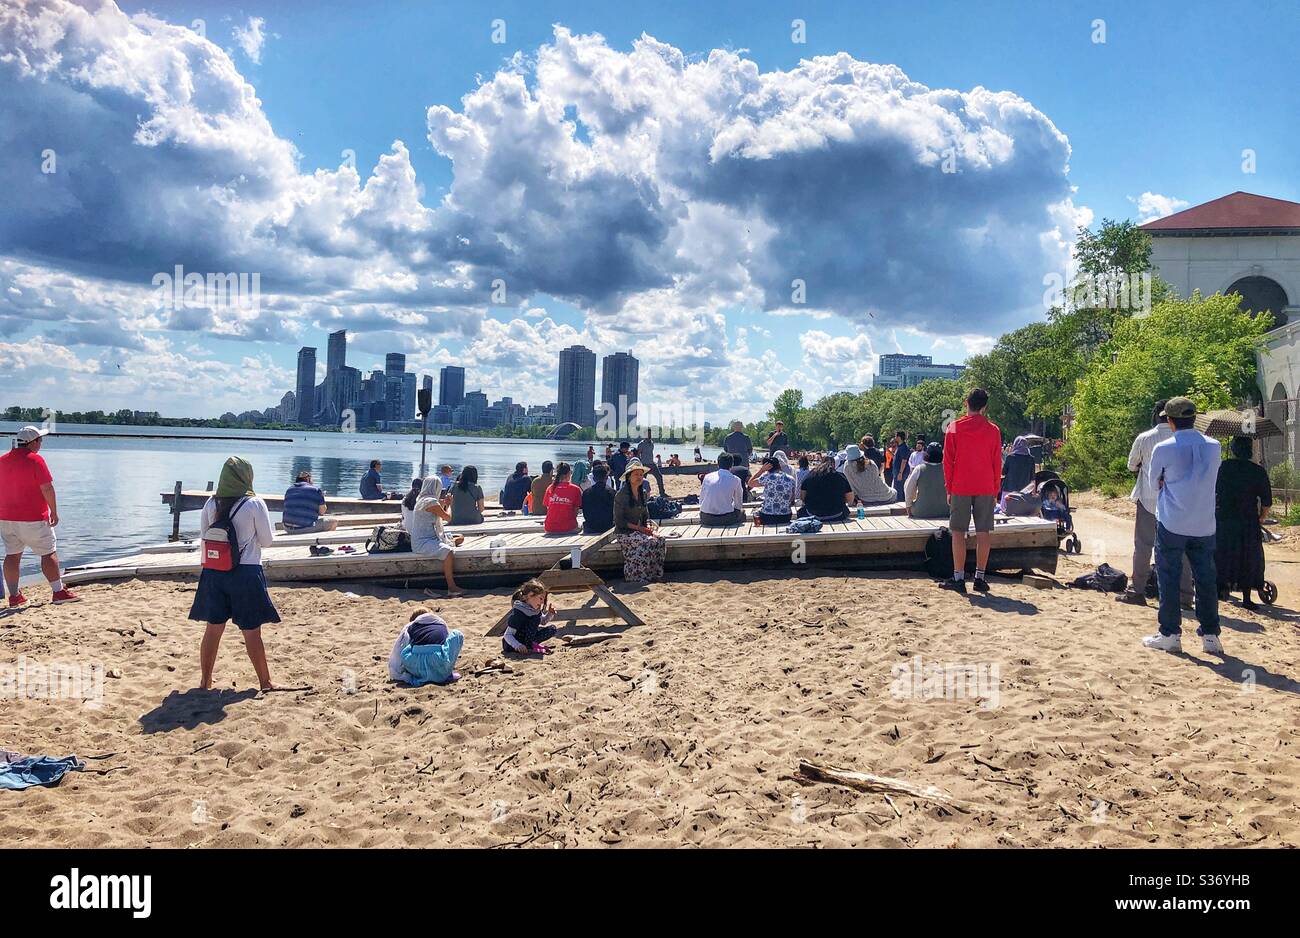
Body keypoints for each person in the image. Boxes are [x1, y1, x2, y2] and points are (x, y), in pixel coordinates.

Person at [1142, 397, 1223, 654]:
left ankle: (1170, 634)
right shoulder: (1214, 446)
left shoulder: (1164, 448)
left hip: (1172, 521)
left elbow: (1153, 482)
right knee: (1206, 579)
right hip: (1204, 522)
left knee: (1169, 576)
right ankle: (1211, 635)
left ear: (1170, 421)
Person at [189, 457, 278, 690]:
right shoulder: (255, 503)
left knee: (213, 628)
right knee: (251, 631)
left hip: (214, 572)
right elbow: (267, 541)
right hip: (246, 572)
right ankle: (265, 682)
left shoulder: (210, 503)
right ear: (247, 476)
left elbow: (204, 538)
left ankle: (205, 681)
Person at [1116, 400, 1193, 607]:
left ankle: (1137, 591)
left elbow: (1132, 466)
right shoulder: (1185, 440)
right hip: (1178, 501)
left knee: (1143, 546)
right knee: (1181, 549)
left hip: (1149, 498)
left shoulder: (1144, 438)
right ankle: (1185, 595)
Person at [1, 426, 79, 608]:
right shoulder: (35, 460)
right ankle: (58, 591)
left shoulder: (2, 460)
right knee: (48, 552)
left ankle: (14, 596)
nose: (41, 444)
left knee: (12, 555)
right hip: (33, 517)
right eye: (40, 441)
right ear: (33, 442)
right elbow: (47, 488)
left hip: (5, 517)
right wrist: (54, 511)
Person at [940, 389, 1003, 594]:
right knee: (983, 532)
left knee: (958, 532)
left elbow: (948, 461)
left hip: (961, 485)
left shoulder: (954, 427)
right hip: (985, 485)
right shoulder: (993, 430)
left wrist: (949, 487)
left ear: (966, 402)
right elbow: (996, 463)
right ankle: (980, 577)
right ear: (984, 407)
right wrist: (995, 490)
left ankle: (958, 577)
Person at [1215, 436, 1272, 610]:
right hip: (1247, 519)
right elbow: (1267, 501)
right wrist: (1261, 517)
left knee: (1222, 553)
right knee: (1248, 556)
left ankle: (1222, 588)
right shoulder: (1257, 471)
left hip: (1224, 517)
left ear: (1232, 449)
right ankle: (1247, 597)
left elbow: (1214, 490)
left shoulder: (1223, 468)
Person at [409, 477, 465, 597]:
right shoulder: (431, 502)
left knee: (459, 537)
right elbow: (448, 517)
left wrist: (444, 503)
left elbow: (437, 509)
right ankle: (451, 587)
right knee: (448, 552)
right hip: (423, 541)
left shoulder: (422, 499)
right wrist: (449, 505)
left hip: (431, 536)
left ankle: (447, 542)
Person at [614, 460, 666, 582]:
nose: (639, 477)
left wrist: (647, 526)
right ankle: (637, 576)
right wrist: (640, 529)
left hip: (639, 530)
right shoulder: (621, 495)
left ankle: (654, 574)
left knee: (659, 540)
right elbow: (619, 521)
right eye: (636, 474)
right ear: (629, 477)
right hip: (624, 532)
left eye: (641, 475)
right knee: (645, 543)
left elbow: (645, 515)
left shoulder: (642, 493)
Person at [387, 609, 463, 686]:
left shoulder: (411, 627)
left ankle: (421, 675)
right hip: (439, 661)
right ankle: (444, 673)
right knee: (457, 634)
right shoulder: (440, 624)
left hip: (416, 664)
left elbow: (399, 649)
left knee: (409, 646)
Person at [502, 579, 558, 655]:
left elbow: (543, 621)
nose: (542, 602)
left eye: (543, 600)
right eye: (540, 598)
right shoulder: (519, 612)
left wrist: (550, 614)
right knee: (534, 619)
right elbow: (507, 635)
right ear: (530, 595)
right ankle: (531, 646)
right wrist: (518, 645)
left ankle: (532, 645)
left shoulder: (534, 610)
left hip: (528, 639)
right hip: (514, 643)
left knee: (552, 629)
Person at [799, 455, 853, 522]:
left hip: (813, 514)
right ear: (834, 465)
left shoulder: (810, 475)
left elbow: (802, 497)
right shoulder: (840, 476)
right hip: (837, 514)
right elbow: (850, 499)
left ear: (821, 463)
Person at [699, 453, 746, 526]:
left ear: (718, 464)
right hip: (726, 518)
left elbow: (702, 498)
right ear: (731, 465)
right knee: (742, 513)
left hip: (706, 517)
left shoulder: (708, 477)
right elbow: (738, 503)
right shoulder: (736, 480)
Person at [905, 443, 949, 519]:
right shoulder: (947, 470)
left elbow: (909, 489)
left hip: (921, 511)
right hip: (945, 511)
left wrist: (908, 507)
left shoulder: (919, 469)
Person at [752, 455, 796, 525]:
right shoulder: (791, 479)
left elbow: (750, 483)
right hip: (785, 516)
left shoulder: (766, 477)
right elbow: (792, 499)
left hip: (768, 517)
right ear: (779, 466)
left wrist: (762, 470)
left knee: (755, 512)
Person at [543, 462, 583, 534]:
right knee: (581, 525)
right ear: (569, 473)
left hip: (550, 528)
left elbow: (548, 508)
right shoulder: (575, 489)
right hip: (568, 527)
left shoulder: (550, 488)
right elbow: (575, 511)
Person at [581, 464, 616, 533]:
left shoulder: (586, 493)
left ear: (594, 478)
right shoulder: (613, 492)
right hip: (608, 526)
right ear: (606, 477)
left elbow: (585, 512)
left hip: (591, 527)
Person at [638, 430, 667, 496]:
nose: (650, 435)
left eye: (650, 434)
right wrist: (640, 465)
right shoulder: (641, 444)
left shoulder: (651, 443)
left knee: (659, 477)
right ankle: (641, 494)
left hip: (652, 464)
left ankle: (662, 493)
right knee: (642, 480)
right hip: (644, 465)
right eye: (648, 434)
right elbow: (638, 454)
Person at [891, 432, 910, 499]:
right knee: (897, 489)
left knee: (900, 491)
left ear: (899, 437)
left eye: (896, 436)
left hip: (901, 473)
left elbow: (904, 461)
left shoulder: (903, 447)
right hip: (897, 472)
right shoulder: (899, 447)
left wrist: (900, 473)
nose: (895, 438)